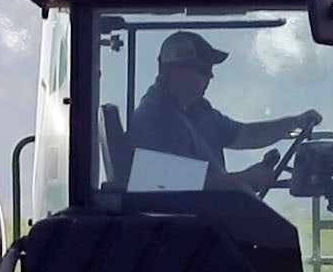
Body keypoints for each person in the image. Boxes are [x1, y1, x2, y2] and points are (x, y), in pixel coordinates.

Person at [120, 31, 316, 189]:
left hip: (208, 217)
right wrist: (244, 180)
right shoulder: (154, 118)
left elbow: (246, 135)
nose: (211, 77)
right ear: (176, 72)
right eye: (203, 71)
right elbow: (172, 182)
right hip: (187, 226)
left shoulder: (198, 111)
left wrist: (295, 122)